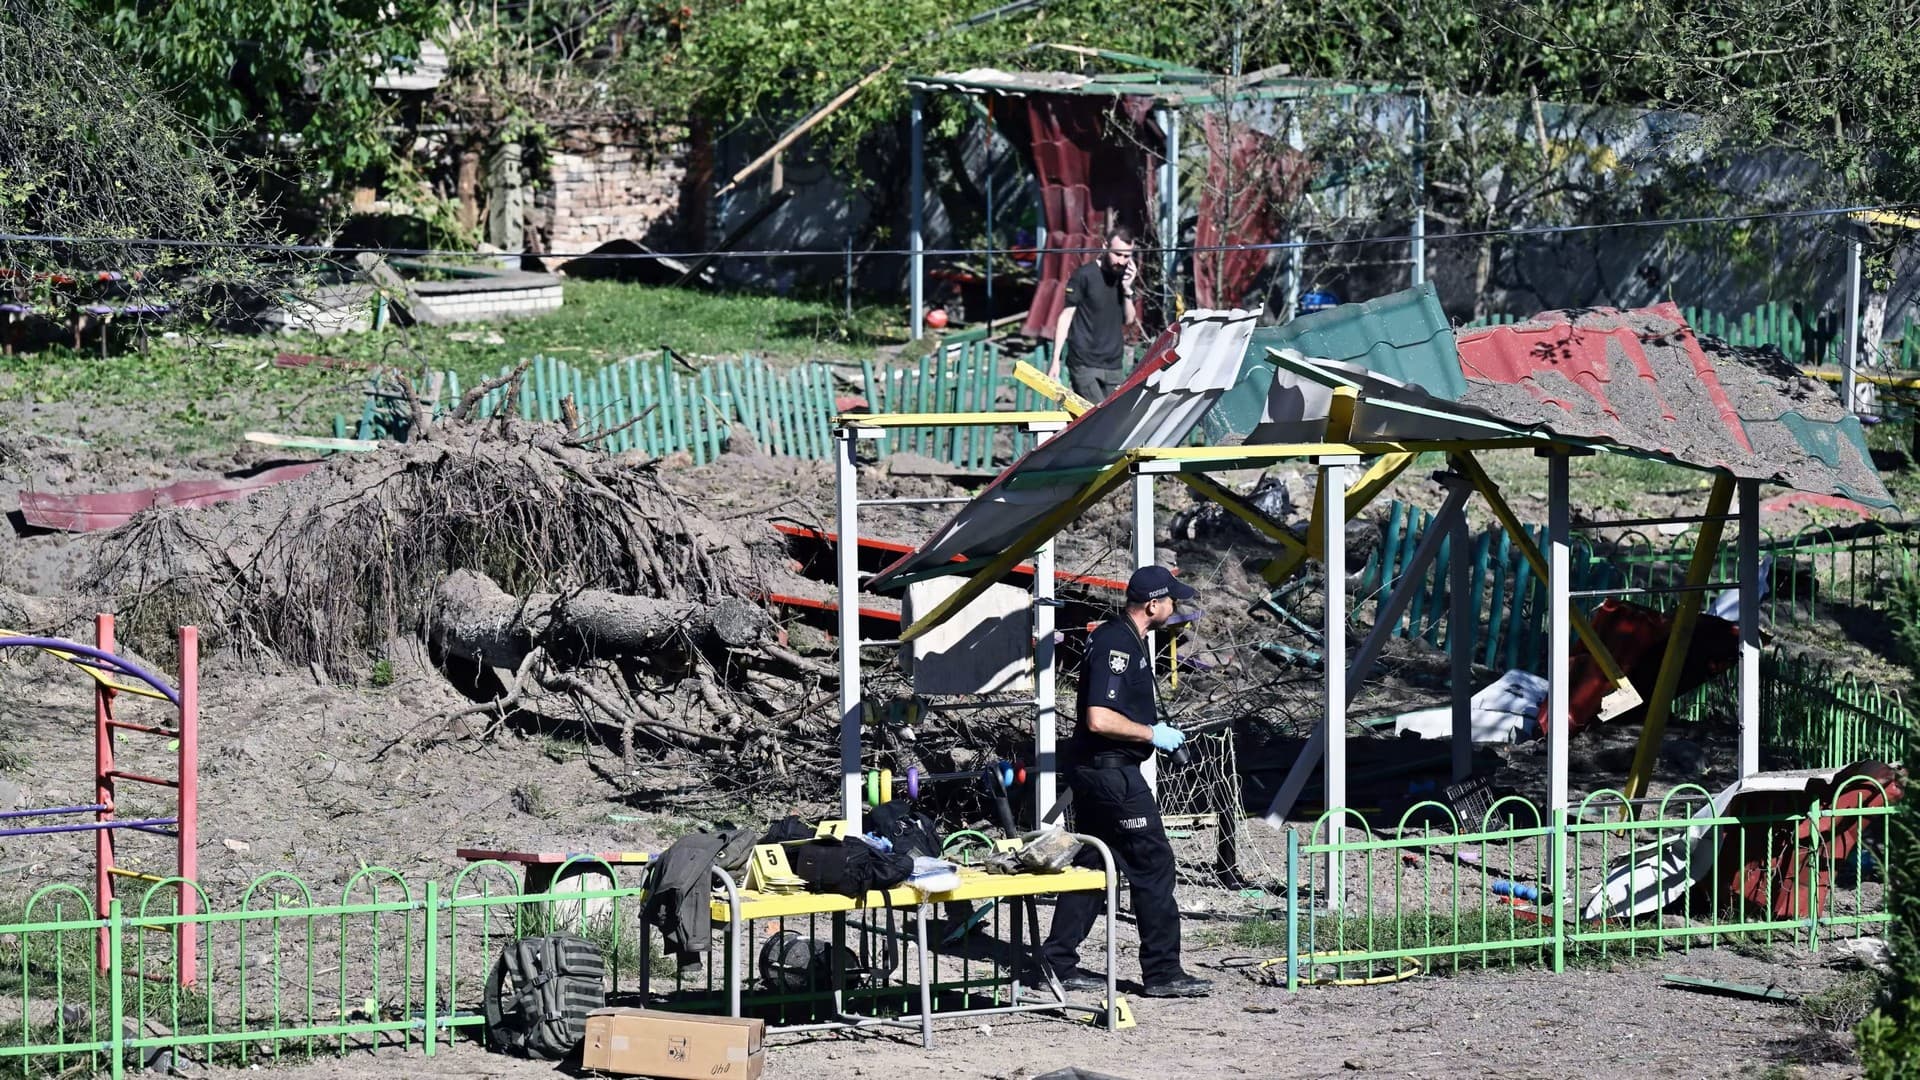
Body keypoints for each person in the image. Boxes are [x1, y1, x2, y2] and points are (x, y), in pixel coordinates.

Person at [1039, 565, 1213, 999]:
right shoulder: (1118, 643)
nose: (1175, 608)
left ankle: (1056, 963)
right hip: (1112, 773)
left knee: (1096, 863)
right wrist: (1153, 734)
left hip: (1104, 771)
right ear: (1153, 604)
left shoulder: (1123, 638)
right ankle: (1163, 971)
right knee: (1153, 864)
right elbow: (1098, 718)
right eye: (1171, 600)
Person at [1047, 225, 1140, 402]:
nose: (1121, 261)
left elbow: (1129, 320)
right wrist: (1055, 360)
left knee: (1114, 419)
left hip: (1113, 364)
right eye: (1117, 254)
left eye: (1126, 256)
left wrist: (1127, 289)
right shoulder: (1084, 275)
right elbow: (1066, 316)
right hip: (1084, 363)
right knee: (1097, 417)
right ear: (1105, 246)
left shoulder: (1125, 278)